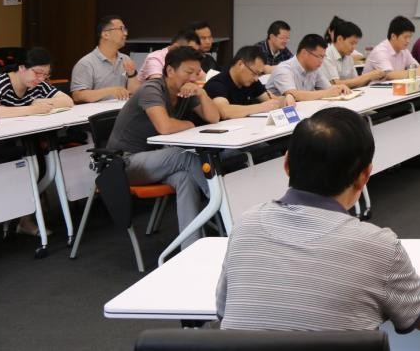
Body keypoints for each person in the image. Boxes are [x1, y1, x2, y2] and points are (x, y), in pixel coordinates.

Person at [216, 107, 420, 331]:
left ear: (286, 164)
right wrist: (418, 283)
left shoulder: (246, 226)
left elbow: (223, 309)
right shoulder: (380, 248)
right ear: (364, 176)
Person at [106, 46, 221, 249]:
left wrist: (202, 94)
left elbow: (214, 118)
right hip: (124, 163)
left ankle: (191, 248)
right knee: (184, 156)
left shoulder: (187, 91)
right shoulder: (152, 89)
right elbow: (165, 127)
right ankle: (222, 206)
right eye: (188, 72)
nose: (193, 77)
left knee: (185, 179)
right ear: (169, 70)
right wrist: (191, 124)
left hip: (155, 160)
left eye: (197, 72)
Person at [0, 47, 72, 122]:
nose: (41, 78)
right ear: (22, 67)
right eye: (37, 73)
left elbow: (68, 101)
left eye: (45, 74)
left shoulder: (38, 84)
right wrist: (32, 109)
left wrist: (42, 102)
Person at [205, 45, 292, 119]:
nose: (256, 79)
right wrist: (261, 107)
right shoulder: (217, 84)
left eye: (259, 74)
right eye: (254, 73)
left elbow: (271, 100)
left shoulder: (251, 81)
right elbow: (224, 111)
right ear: (240, 64)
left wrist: (286, 99)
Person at [71, 14, 141, 103]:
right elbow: (78, 96)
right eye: (121, 29)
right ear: (105, 34)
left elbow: (134, 93)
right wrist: (110, 91)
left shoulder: (125, 59)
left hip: (123, 109)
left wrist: (132, 74)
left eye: (125, 30)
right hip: (98, 111)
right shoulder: (86, 63)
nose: (125, 33)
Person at [265, 35, 347, 101]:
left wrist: (339, 88)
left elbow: (328, 88)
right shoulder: (284, 69)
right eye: (319, 56)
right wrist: (326, 93)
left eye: (323, 57)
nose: (321, 61)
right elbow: (294, 94)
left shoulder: (314, 69)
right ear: (304, 53)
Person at [321, 20, 384, 89]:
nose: (354, 47)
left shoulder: (348, 57)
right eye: (352, 43)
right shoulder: (326, 55)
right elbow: (336, 84)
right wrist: (368, 76)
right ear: (339, 39)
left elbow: (356, 83)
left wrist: (372, 77)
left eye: (356, 44)